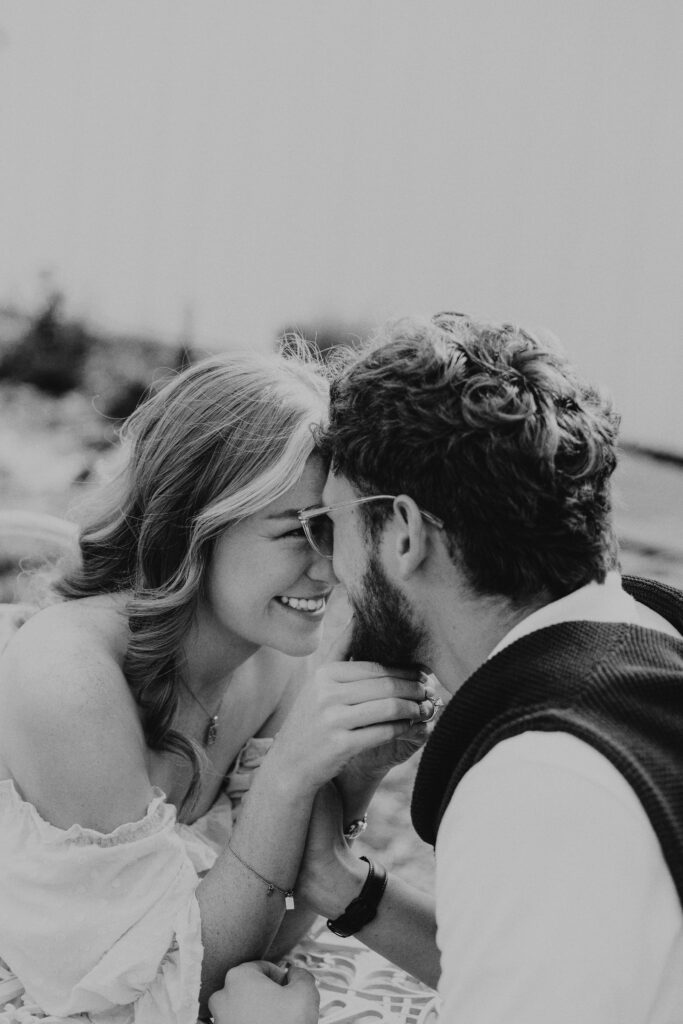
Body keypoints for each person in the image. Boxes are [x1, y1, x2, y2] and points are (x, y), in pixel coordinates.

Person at [214, 313, 683, 1024]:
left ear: (401, 534)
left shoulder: (541, 779)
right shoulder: (647, 634)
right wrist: (338, 885)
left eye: (330, 527)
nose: (330, 569)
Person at [0, 348, 436, 1024]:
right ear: (193, 526)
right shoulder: (73, 675)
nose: (334, 569)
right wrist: (288, 778)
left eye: (342, 531)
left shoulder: (275, 660)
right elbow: (151, 996)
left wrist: (352, 781)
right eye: (301, 532)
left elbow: (266, 931)